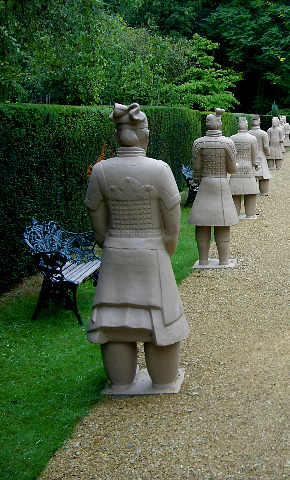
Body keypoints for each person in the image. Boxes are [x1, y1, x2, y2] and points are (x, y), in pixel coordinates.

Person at [85, 103, 189, 393]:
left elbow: (96, 216)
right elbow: (172, 218)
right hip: (152, 250)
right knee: (161, 321)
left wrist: (109, 242)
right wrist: (166, 247)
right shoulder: (159, 170)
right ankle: (164, 380)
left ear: (118, 135)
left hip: (116, 251)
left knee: (114, 318)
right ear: (144, 134)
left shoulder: (101, 171)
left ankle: (120, 381)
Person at [188, 108, 239, 267]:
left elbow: (196, 169)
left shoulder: (198, 143)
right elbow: (232, 169)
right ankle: (223, 260)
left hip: (205, 185)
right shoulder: (227, 143)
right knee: (222, 221)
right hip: (221, 185)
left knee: (203, 222)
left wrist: (196, 180)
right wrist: (236, 165)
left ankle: (203, 260)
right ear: (220, 124)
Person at [230, 116, 260, 218]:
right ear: (246, 125)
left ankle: (235, 214)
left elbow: (231, 156)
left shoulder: (232, 139)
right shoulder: (252, 139)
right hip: (248, 169)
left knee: (235, 193)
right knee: (251, 192)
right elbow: (254, 155)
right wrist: (256, 164)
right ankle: (250, 214)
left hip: (236, 169)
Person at [249, 114, 271, 195]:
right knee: (264, 175)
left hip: (251, 156)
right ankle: (264, 192)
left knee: (252, 174)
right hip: (261, 155)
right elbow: (266, 146)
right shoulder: (263, 133)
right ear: (259, 121)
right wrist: (268, 153)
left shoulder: (248, 133)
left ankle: (253, 191)